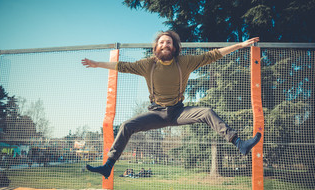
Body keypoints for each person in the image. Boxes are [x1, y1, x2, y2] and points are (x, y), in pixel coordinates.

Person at [82, 31, 261, 179]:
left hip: (178, 112)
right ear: (156, 47)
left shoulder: (185, 62)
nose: (165, 45)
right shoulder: (146, 65)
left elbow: (212, 55)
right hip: (156, 113)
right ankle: (108, 166)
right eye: (161, 43)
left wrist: (240, 45)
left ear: (174, 47)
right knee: (126, 126)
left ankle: (239, 143)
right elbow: (123, 66)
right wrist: (97, 64)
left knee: (206, 112)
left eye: (168, 43)